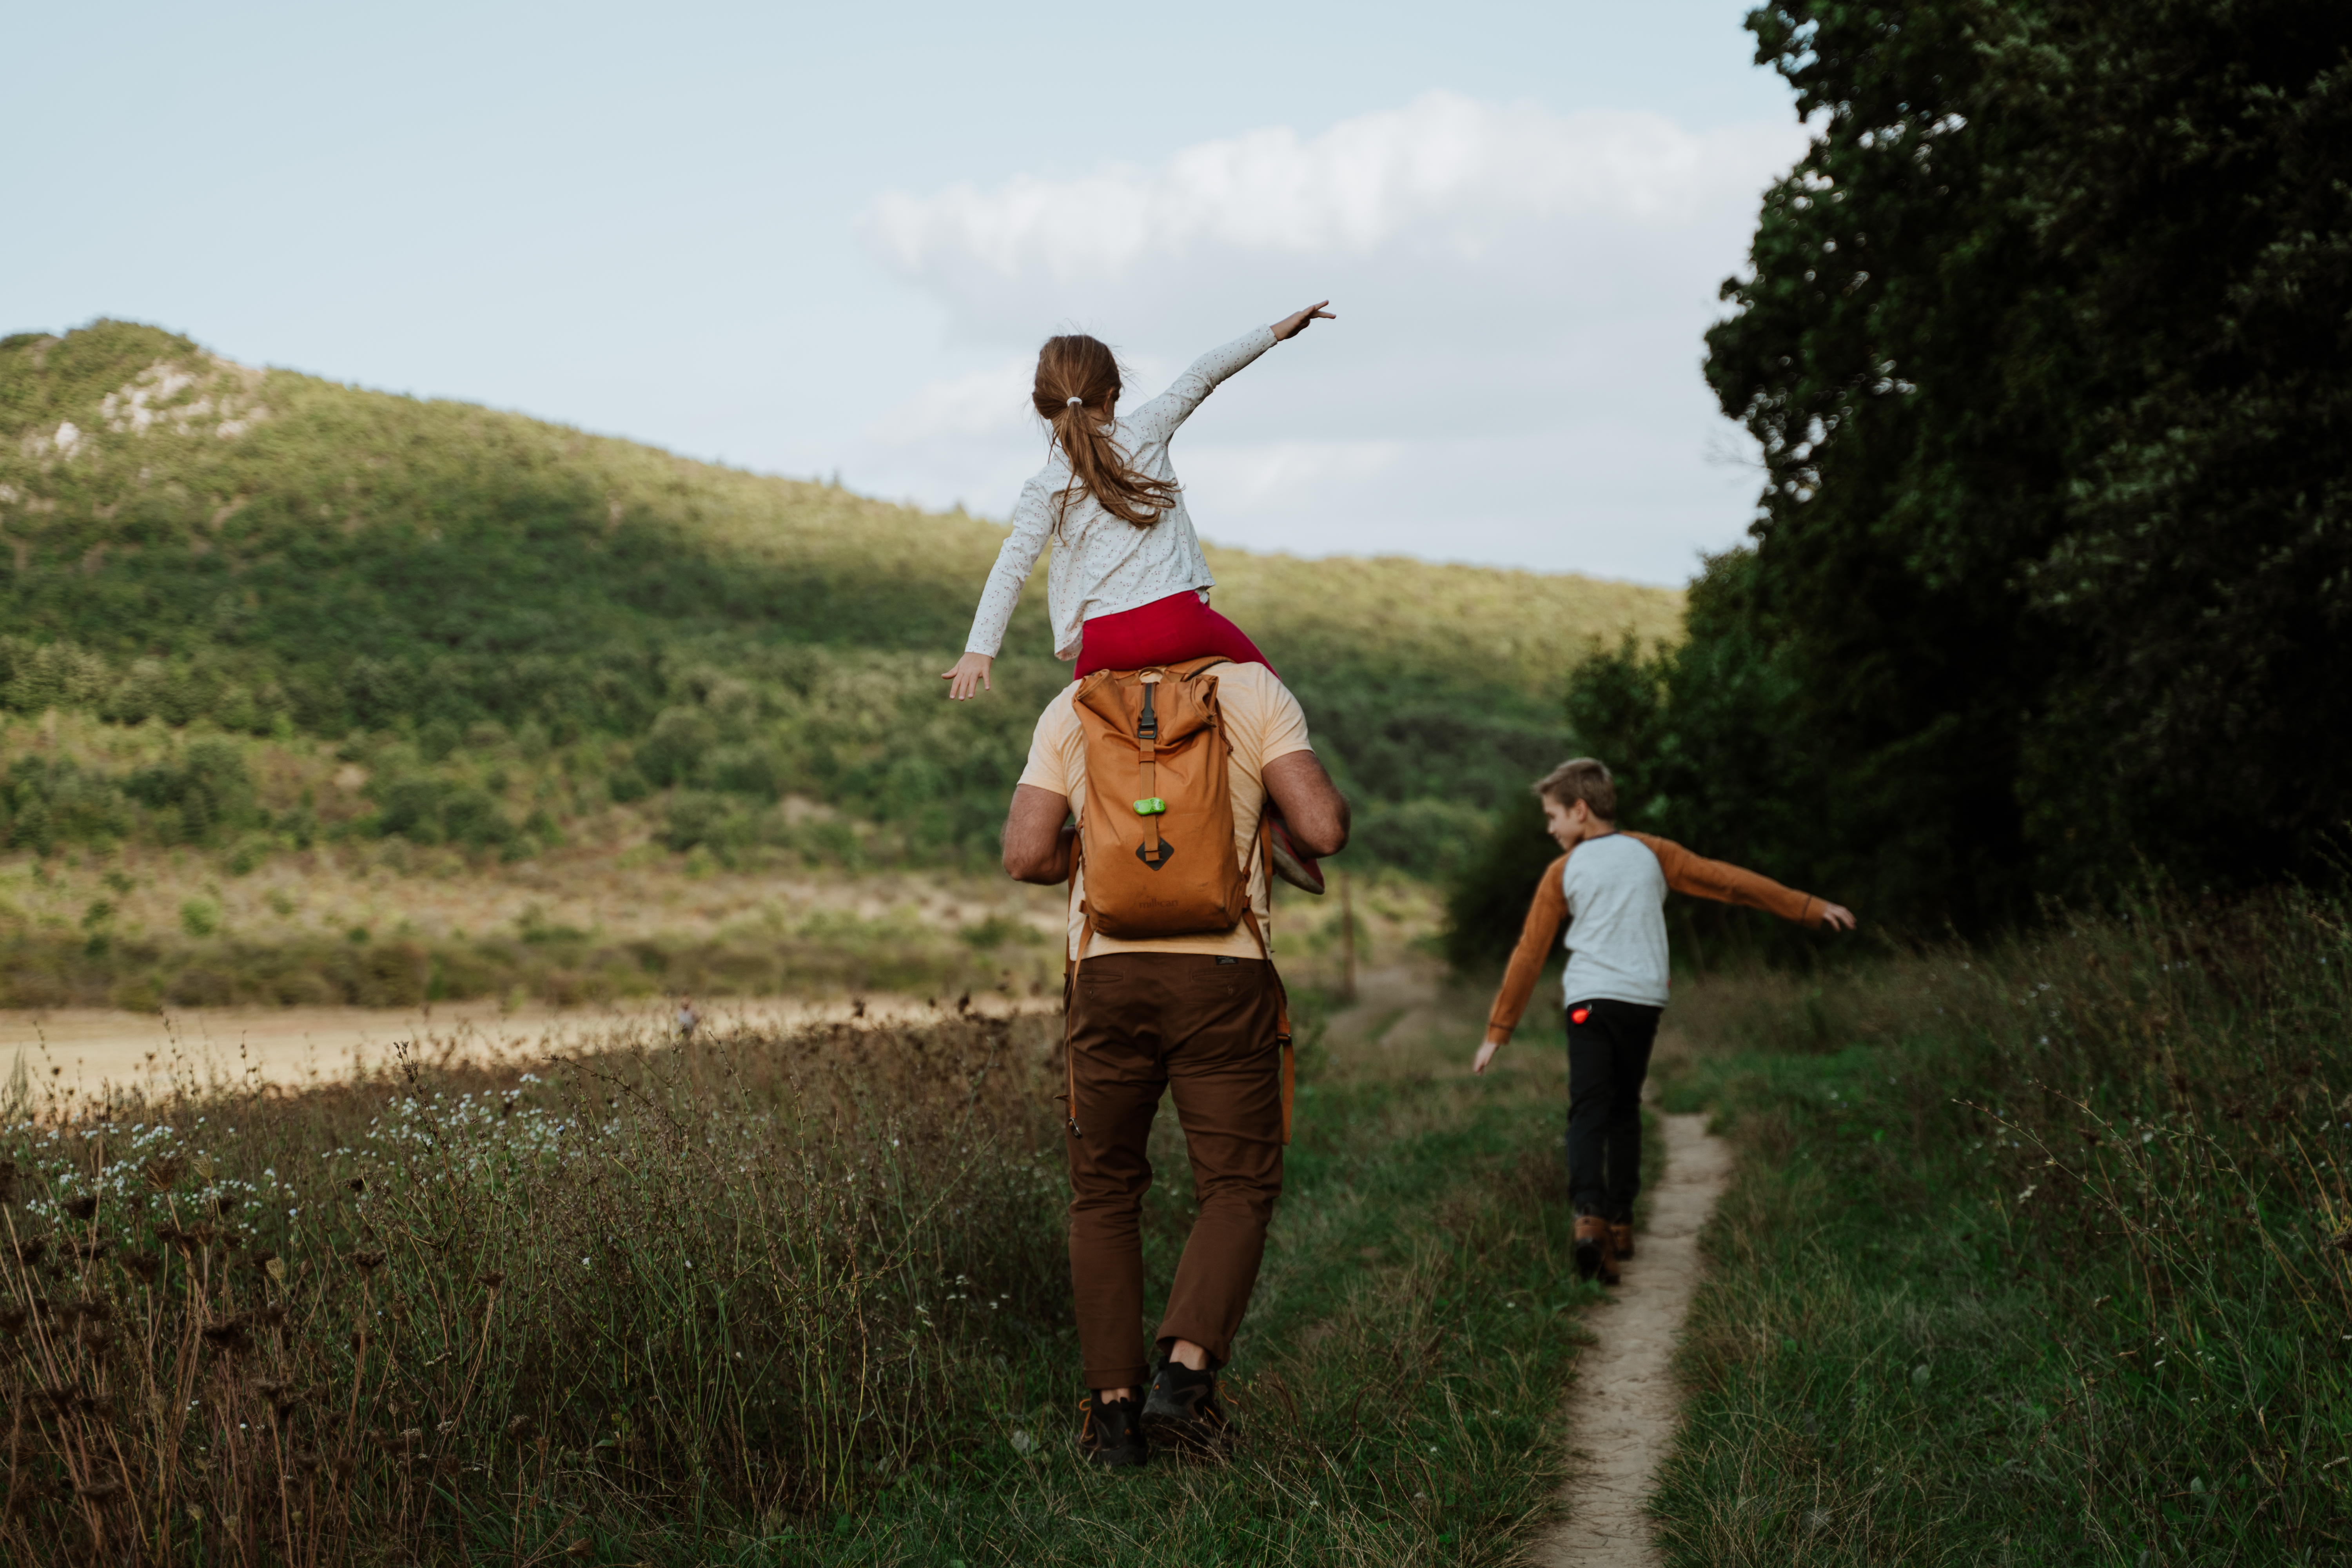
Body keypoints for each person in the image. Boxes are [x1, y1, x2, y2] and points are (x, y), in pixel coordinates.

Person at [999, 659, 1349, 1468]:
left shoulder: (1072, 704)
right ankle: (1185, 1380)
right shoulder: (1253, 690)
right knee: (1237, 1183)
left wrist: (1104, 847)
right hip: (1225, 975)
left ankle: (1113, 1417)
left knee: (1104, 1189)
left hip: (1106, 976)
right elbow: (1324, 828)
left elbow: (1024, 853)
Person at [944, 303, 1336, 891]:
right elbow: (1205, 373)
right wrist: (1278, 331)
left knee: (1077, 737)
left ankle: (1095, 831)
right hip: (1182, 624)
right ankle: (1280, 822)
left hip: (1103, 647)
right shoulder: (1147, 428)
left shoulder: (1044, 485)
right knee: (1267, 687)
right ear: (1115, 393)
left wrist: (981, 650)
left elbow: (1011, 568)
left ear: (1043, 407)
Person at [1471, 759, 1855, 1284]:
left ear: (1580, 811)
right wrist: (1808, 907)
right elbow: (1731, 883)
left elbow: (1530, 952)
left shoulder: (1563, 871)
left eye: (1553, 816)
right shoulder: (1654, 851)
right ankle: (1622, 1223)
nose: (1550, 828)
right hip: (1640, 1002)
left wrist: (1499, 1031)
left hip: (1588, 1001)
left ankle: (1589, 1221)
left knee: (1588, 1108)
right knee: (1626, 1108)